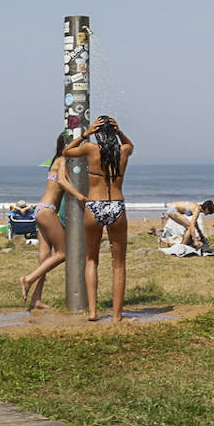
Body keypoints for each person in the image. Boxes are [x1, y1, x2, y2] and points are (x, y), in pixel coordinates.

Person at [64, 115, 134, 323]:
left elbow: (66, 152)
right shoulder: (123, 151)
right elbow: (131, 145)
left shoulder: (90, 149)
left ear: (97, 132)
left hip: (94, 205)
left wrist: (86, 134)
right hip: (116, 205)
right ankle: (117, 316)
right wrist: (120, 132)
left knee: (92, 259)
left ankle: (93, 312)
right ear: (114, 132)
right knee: (119, 264)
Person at [18, 132, 88, 310]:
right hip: (48, 211)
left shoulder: (55, 160)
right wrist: (80, 196)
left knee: (44, 258)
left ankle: (36, 300)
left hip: (40, 209)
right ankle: (29, 279)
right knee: (63, 252)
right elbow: (63, 182)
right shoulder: (63, 159)